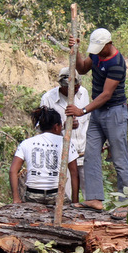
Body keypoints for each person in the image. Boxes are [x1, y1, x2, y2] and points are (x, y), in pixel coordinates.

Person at [65, 28, 128, 211]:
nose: (97, 52)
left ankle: (126, 203)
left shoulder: (117, 63)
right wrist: (76, 50)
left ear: (109, 44)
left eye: (100, 49)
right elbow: (82, 68)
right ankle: (94, 198)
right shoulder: (96, 54)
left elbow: (106, 95)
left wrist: (82, 110)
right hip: (97, 113)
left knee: (119, 158)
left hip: (114, 113)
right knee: (91, 154)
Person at [10, 107, 79, 205]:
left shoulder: (26, 143)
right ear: (56, 126)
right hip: (56, 194)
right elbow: (74, 173)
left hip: (33, 194)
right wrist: (75, 201)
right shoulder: (65, 143)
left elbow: (13, 171)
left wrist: (16, 198)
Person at [40, 67, 90, 198]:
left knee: (90, 195)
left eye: (78, 86)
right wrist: (63, 127)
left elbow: (89, 120)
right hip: (62, 156)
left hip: (84, 152)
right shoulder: (48, 99)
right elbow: (41, 130)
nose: (76, 89)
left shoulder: (84, 93)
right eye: (73, 88)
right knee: (65, 195)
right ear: (62, 86)